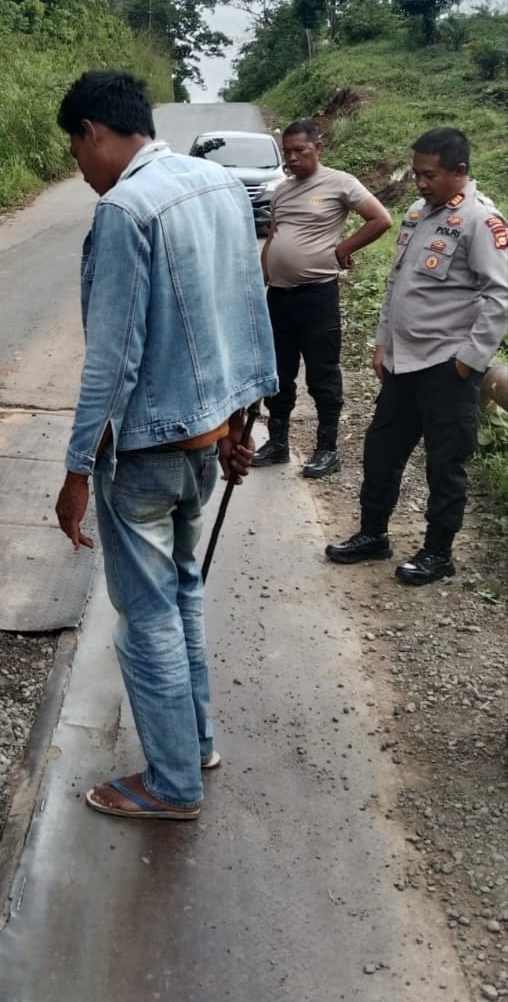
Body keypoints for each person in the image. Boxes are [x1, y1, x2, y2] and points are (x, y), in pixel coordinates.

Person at [54, 71, 277, 821]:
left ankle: (173, 783)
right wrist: (247, 423)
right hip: (205, 445)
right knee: (183, 594)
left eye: (75, 151)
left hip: (145, 455)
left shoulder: (126, 209)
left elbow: (111, 359)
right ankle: (198, 742)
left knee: (146, 615)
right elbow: (249, 310)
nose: (78, 169)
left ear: (93, 132)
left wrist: (77, 468)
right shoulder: (218, 187)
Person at [326, 127, 508, 585]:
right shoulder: (417, 213)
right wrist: (383, 342)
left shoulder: (480, 220)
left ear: (459, 172)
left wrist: (469, 359)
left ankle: (438, 553)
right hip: (403, 363)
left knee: (445, 465)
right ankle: (373, 534)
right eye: (416, 174)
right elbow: (398, 283)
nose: (420, 183)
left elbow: (499, 296)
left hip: (448, 368)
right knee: (381, 451)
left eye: (429, 175)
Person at [254, 119, 391, 477]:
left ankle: (327, 449)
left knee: (322, 374)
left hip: (317, 297)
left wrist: (342, 248)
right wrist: (262, 275)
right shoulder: (282, 190)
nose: (293, 158)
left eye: (301, 150)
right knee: (279, 373)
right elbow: (274, 235)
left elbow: (380, 219)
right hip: (278, 297)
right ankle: (278, 443)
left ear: (319, 147)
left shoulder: (340, 183)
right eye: (287, 152)